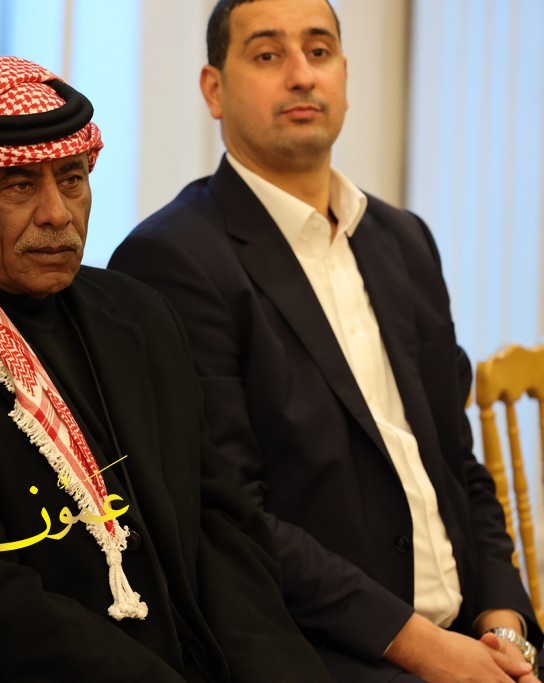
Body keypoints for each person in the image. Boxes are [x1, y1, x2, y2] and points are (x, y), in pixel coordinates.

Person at [0, 50, 331, 683]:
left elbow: (222, 526)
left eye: (71, 179)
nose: (57, 213)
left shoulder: (137, 312)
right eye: (19, 186)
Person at [108, 1, 541, 681]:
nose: (302, 75)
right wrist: (424, 648)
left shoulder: (405, 240)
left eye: (319, 51)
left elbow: (457, 463)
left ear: (344, 73)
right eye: (267, 55)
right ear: (214, 90)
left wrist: (504, 626)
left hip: (473, 641)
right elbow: (232, 514)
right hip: (326, 652)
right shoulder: (173, 259)